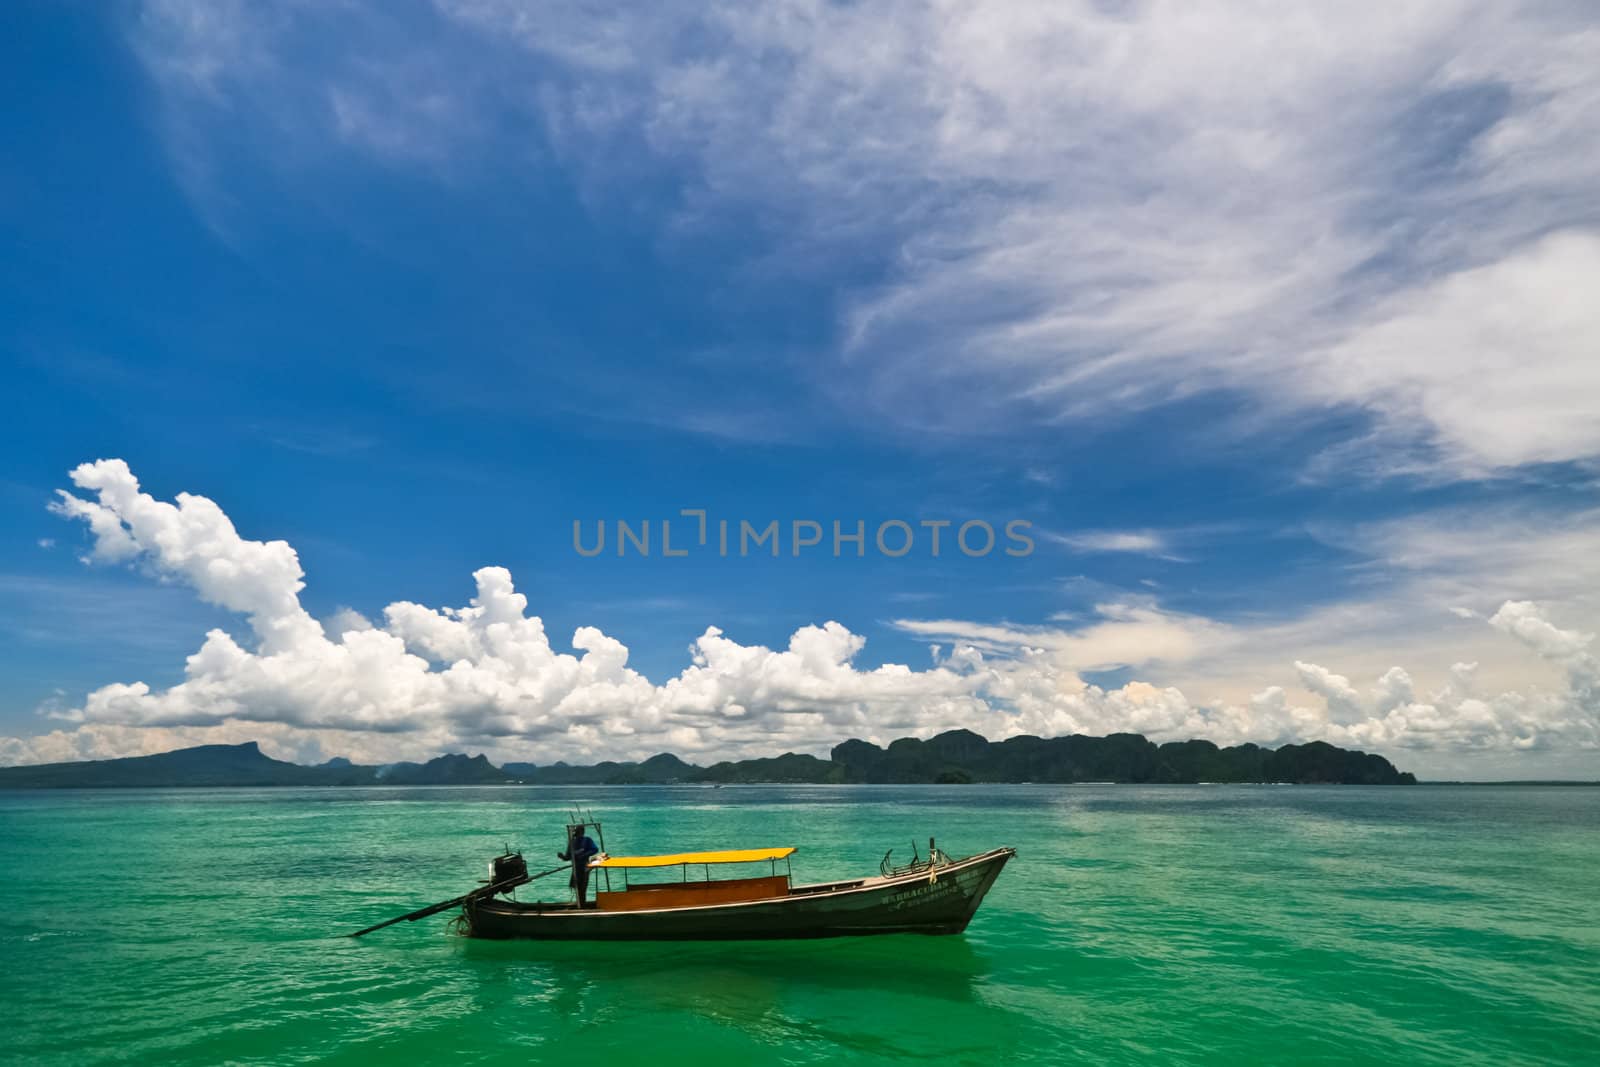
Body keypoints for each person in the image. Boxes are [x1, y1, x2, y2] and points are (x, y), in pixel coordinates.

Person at [558, 825, 600, 908]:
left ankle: (582, 906)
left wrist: (584, 855)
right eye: (577, 831)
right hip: (576, 869)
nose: (578, 833)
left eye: (579, 831)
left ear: (582, 832)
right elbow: (568, 857)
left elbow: (595, 849)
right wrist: (562, 856)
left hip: (584, 868)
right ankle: (580, 905)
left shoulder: (587, 840)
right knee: (577, 888)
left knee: (582, 888)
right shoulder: (572, 842)